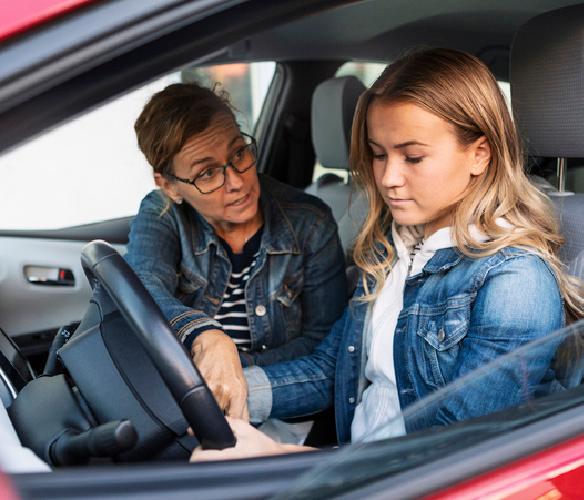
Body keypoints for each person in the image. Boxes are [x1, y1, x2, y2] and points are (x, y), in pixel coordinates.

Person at [191, 48, 584, 460]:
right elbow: (334, 370)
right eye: (379, 154)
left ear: (479, 155)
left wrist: (283, 459)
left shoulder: (515, 281)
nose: (388, 178)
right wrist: (222, 393)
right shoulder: (391, 245)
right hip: (358, 465)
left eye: (413, 157)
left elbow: (457, 453)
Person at [127, 83, 347, 419]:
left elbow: (324, 345)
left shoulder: (310, 223)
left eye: (239, 154)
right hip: (183, 406)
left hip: (281, 409)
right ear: (170, 186)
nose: (237, 182)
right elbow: (142, 286)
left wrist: (232, 371)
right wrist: (207, 337)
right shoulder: (163, 214)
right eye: (207, 173)